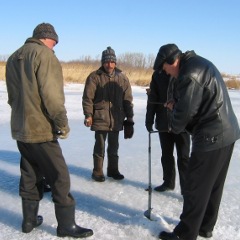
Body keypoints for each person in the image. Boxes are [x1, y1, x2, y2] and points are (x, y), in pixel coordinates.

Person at [5, 22, 93, 238]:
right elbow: (52, 97)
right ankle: (66, 226)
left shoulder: (13, 57)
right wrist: (62, 123)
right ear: (47, 38)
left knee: (30, 172)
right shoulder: (45, 56)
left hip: (20, 128)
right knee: (59, 176)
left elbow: (11, 97)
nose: (55, 47)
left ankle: (29, 220)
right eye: (54, 42)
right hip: (41, 129)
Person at [152, 43, 240, 240]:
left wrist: (173, 111)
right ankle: (205, 227)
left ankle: (185, 234)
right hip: (228, 132)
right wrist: (178, 103)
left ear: (172, 62)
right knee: (213, 185)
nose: (168, 75)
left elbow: (180, 120)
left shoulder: (189, 74)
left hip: (212, 135)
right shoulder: (198, 64)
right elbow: (197, 101)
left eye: (166, 70)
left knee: (194, 186)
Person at [82, 46, 134, 182]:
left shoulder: (122, 78)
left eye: (112, 62)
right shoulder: (94, 77)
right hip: (100, 118)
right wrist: (88, 114)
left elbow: (127, 99)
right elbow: (88, 98)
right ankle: (97, 171)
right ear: (102, 62)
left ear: (115, 63)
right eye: (106, 62)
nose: (109, 65)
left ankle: (113, 170)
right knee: (99, 147)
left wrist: (130, 118)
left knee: (114, 147)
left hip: (116, 119)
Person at [145, 70, 190, 194]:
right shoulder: (158, 75)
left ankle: (186, 189)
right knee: (166, 155)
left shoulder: (184, 73)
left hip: (182, 124)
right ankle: (168, 182)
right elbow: (152, 98)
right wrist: (149, 119)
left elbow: (190, 98)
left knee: (184, 157)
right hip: (163, 122)